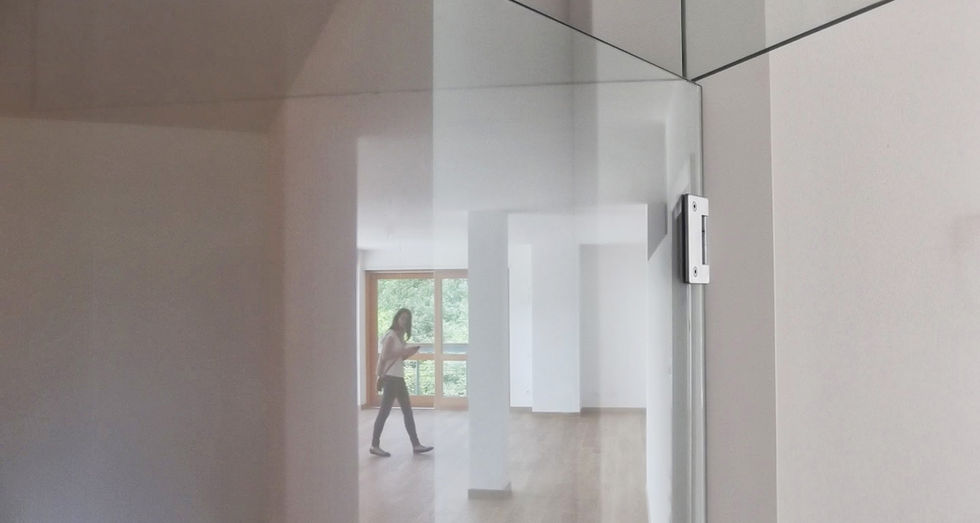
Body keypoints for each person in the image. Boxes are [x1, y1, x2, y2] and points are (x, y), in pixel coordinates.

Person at [370, 308, 434, 457]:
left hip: (398, 377)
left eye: (407, 319)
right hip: (391, 378)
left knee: (407, 411)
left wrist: (409, 352)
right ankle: (374, 445)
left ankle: (416, 444)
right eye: (402, 318)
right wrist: (403, 351)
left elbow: (397, 359)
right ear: (397, 319)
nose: (405, 321)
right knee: (385, 412)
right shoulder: (391, 335)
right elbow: (385, 356)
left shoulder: (399, 337)